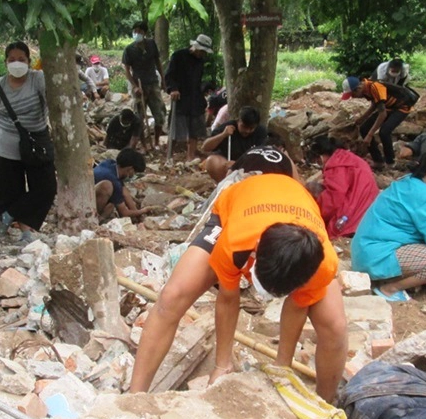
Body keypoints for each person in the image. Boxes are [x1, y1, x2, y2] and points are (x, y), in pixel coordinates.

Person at [127, 168, 347, 401]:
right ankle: (134, 397)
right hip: (239, 206)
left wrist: (282, 368)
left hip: (292, 206)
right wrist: (222, 365)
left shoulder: (322, 263)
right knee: (172, 296)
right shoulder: (234, 241)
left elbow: (297, 306)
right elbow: (227, 298)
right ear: (257, 249)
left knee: (335, 326)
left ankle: (325, 402)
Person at [351, 146, 426, 302]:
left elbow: (418, 215)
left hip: (366, 251)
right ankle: (389, 289)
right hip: (378, 255)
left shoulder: (409, 182)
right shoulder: (424, 195)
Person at [0, 41, 56, 240]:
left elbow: (51, 100)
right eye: (12, 60)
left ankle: (13, 216)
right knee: (9, 190)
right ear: (5, 62)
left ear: (29, 62)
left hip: (37, 144)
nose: (17, 63)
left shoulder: (37, 79)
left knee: (46, 188)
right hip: (8, 147)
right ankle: (17, 229)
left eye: (21, 59)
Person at [305, 136, 379, 239]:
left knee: (310, 188)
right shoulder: (348, 158)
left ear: (323, 154)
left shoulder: (337, 165)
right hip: (368, 212)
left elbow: (334, 197)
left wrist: (314, 213)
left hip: (352, 215)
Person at [344, 76, 419, 168]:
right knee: (364, 129)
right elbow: (375, 104)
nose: (353, 97)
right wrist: (363, 118)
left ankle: (391, 161)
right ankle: (378, 161)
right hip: (388, 107)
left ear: (358, 89)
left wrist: (370, 135)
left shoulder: (375, 87)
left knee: (384, 132)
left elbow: (382, 114)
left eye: (353, 95)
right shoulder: (366, 89)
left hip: (401, 107)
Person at [164, 34, 213, 161]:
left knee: (194, 129)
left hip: (195, 97)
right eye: (201, 51)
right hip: (180, 97)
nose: (202, 54)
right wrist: (173, 88)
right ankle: (169, 156)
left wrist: (203, 90)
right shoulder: (178, 56)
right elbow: (169, 75)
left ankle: (190, 157)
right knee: (176, 128)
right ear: (196, 47)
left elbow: (197, 80)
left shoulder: (200, 61)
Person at [122, 22, 166, 150]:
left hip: (153, 83)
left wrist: (163, 80)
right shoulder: (129, 50)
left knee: (159, 114)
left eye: (139, 31)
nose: (136, 34)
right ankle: (144, 145)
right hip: (138, 86)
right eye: (134, 31)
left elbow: (158, 62)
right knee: (139, 117)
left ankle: (156, 142)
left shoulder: (151, 44)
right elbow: (127, 71)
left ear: (144, 33)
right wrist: (135, 86)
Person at [201, 106, 267, 182]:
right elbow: (205, 147)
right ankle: (224, 185)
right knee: (212, 161)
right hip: (226, 164)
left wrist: (238, 164)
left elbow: (262, 155)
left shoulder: (261, 132)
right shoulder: (227, 127)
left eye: (251, 128)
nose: (247, 131)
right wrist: (223, 134)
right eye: (244, 127)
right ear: (238, 121)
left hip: (248, 165)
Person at [94, 148, 151, 221]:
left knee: (116, 198)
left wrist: (136, 212)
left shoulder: (109, 163)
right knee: (111, 205)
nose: (133, 175)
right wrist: (144, 210)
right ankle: (98, 220)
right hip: (87, 206)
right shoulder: (113, 181)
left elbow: (124, 192)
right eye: (134, 172)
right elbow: (124, 213)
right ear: (130, 169)